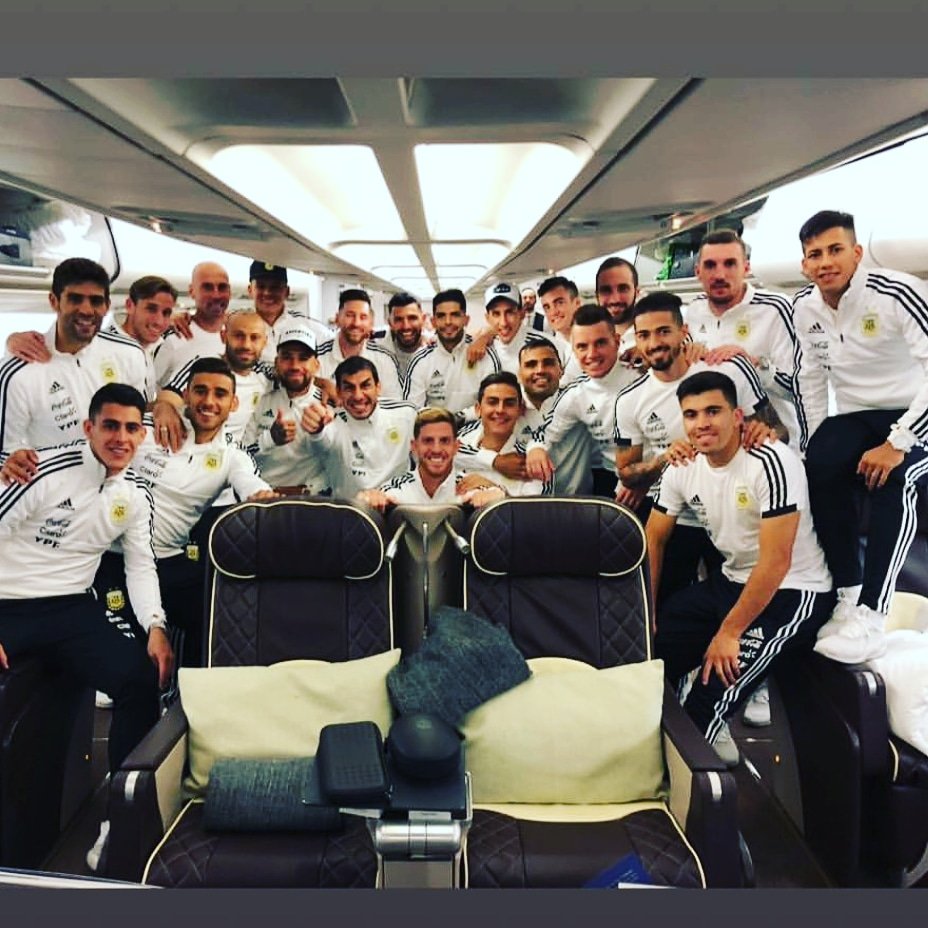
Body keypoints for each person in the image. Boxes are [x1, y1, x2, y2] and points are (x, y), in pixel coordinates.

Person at [645, 371, 834, 766]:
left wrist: (729, 632)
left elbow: (777, 560)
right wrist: (646, 611)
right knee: (648, 655)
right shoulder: (682, 465)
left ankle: (691, 787)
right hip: (730, 581)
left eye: (713, 411)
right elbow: (654, 538)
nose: (702, 423)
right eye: (691, 414)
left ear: (737, 416)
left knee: (706, 701)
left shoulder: (771, 460)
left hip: (792, 590)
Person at [0, 383, 172, 774]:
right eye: (110, 426)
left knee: (139, 678)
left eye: (131, 428)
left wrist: (155, 626)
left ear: (142, 435)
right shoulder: (39, 471)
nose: (121, 438)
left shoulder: (135, 495)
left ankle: (123, 803)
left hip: (72, 607)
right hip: (7, 606)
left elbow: (140, 565)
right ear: (88, 428)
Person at [793, 209, 928, 664]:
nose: (826, 261)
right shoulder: (804, 307)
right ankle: (847, 592)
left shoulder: (898, 292)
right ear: (805, 264)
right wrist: (812, 442)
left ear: (856, 252)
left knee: (897, 478)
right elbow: (811, 378)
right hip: (856, 413)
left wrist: (898, 442)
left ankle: (873, 613)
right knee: (818, 465)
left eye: (835, 250)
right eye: (815, 254)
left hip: (916, 410)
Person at [615, 292, 784, 603]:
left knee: (742, 600)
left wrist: (764, 431)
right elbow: (626, 473)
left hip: (733, 506)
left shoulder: (727, 371)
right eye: (644, 335)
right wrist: (663, 460)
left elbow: (779, 431)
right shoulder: (629, 400)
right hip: (675, 514)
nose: (654, 343)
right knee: (668, 605)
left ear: (684, 332)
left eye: (663, 332)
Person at [0, 258, 151, 453]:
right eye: (75, 299)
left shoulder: (129, 354)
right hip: (54, 473)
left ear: (107, 306)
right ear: (54, 301)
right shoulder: (19, 373)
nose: (86, 310)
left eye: (96, 301)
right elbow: (6, 452)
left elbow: (138, 422)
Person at [685, 229, 807, 450]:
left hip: (772, 442)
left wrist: (755, 365)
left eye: (730, 264)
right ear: (698, 272)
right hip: (717, 449)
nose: (720, 275)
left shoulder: (775, 309)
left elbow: (802, 388)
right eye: (710, 265)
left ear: (746, 268)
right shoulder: (694, 310)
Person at [525, 304, 639, 497]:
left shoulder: (643, 375)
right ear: (574, 350)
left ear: (617, 341)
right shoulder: (575, 395)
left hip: (659, 477)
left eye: (600, 343)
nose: (591, 354)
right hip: (610, 478)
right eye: (582, 346)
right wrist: (535, 449)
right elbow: (544, 433)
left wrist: (644, 477)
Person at [303, 356, 417, 498]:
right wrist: (316, 430)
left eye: (365, 386)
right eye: (349, 388)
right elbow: (320, 442)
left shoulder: (406, 415)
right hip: (349, 508)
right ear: (338, 392)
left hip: (397, 505)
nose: (358, 396)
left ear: (378, 387)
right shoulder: (332, 421)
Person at [357, 406, 506, 510]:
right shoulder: (394, 490)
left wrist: (497, 498)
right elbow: (369, 500)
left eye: (444, 441)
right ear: (414, 447)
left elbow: (499, 498)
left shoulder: (474, 490)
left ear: (456, 447)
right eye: (428, 441)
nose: (436, 449)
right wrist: (367, 500)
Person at [244, 323, 330, 494]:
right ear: (276, 363)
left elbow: (341, 464)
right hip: (262, 496)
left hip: (311, 499)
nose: (295, 366)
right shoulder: (261, 400)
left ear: (316, 365)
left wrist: (307, 490)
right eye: (287, 357)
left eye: (303, 358)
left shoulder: (329, 404)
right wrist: (270, 438)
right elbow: (242, 455)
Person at [404, 288, 501, 416]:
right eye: (441, 316)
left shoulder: (486, 355)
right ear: (433, 322)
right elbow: (411, 411)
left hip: (476, 427)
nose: (448, 322)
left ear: (466, 320)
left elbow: (494, 404)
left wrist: (461, 418)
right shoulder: (420, 361)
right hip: (433, 426)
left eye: (455, 315)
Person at [456, 372, 546, 497]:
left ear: (520, 410)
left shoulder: (530, 463)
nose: (500, 410)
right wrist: (495, 461)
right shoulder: (460, 441)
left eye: (509, 403)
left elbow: (539, 508)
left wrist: (495, 491)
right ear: (478, 409)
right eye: (492, 402)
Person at [315, 288, 403, 399]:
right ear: (337, 319)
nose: (356, 323)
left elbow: (395, 403)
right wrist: (318, 382)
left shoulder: (385, 359)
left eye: (363, 317)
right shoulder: (318, 356)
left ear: (371, 322)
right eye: (350, 315)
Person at [247, 260, 331, 362]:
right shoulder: (236, 327)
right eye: (261, 286)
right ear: (250, 290)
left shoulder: (313, 329)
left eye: (275, 287)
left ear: (287, 291)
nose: (267, 293)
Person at [537, 275, 583, 381]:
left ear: (577, 303)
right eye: (547, 307)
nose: (553, 312)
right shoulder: (547, 351)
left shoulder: (600, 340)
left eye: (559, 303)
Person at [381, 292, 432, 381]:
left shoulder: (435, 348)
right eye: (398, 319)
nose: (406, 326)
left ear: (423, 319)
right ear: (390, 323)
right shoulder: (378, 354)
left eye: (412, 318)